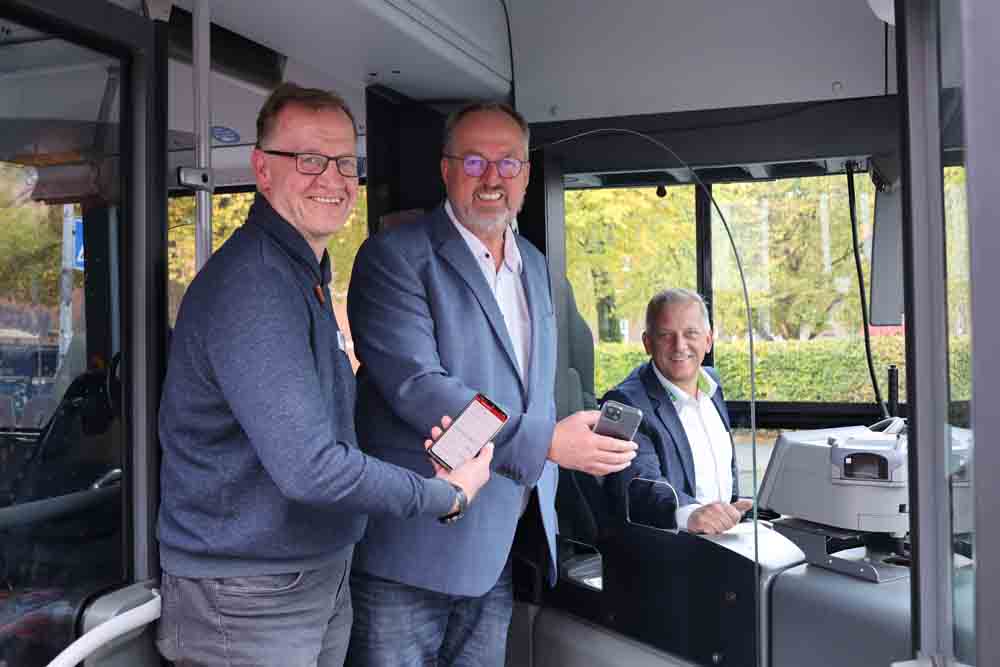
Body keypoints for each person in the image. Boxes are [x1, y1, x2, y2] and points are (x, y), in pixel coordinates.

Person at [154, 83, 493, 667]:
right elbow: (310, 468)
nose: (332, 179)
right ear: (262, 169)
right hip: (249, 597)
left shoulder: (302, 275)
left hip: (311, 572)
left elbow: (320, 430)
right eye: (309, 160)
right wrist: (445, 495)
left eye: (344, 162)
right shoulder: (255, 284)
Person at [345, 102, 637, 666]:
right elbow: (420, 388)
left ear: (526, 174)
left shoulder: (534, 264)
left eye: (508, 164)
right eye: (475, 161)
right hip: (412, 549)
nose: (492, 178)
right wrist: (547, 442)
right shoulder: (394, 258)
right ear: (446, 169)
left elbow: (529, 388)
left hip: (500, 540)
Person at [604, 288, 752, 533]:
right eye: (666, 335)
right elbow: (638, 485)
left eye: (691, 333)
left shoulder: (712, 385)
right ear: (647, 343)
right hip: (667, 545)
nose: (679, 346)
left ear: (708, 340)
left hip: (724, 535)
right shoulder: (622, 403)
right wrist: (690, 514)